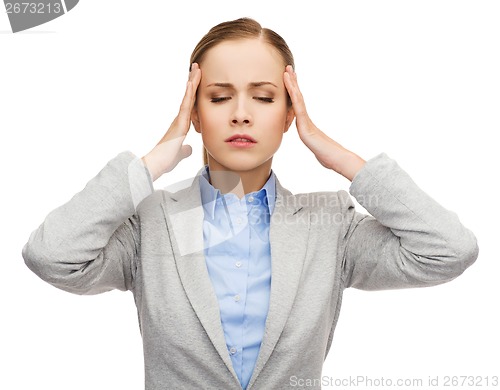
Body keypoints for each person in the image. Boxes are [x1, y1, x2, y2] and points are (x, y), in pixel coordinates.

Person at [22, 17, 479, 390]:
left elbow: (448, 250)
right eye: (219, 97)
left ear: (289, 114)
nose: (241, 112)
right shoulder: (151, 222)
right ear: (195, 113)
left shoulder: (330, 226)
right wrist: (145, 168)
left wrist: (337, 155)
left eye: (264, 97)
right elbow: (52, 256)